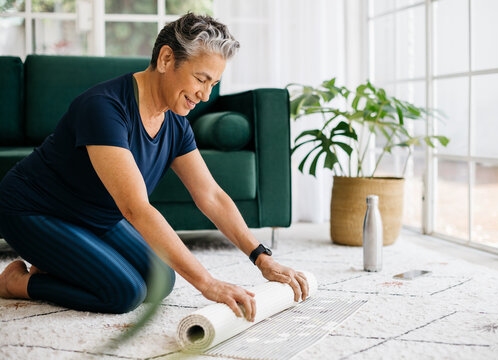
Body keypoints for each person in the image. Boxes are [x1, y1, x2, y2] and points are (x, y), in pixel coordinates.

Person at [0, 13, 308, 320]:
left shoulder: (176, 124)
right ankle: (18, 283)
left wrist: (261, 258)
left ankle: (57, 261)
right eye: (200, 79)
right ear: (165, 59)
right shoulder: (104, 108)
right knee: (124, 292)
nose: (205, 95)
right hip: (32, 210)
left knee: (161, 281)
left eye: (213, 83)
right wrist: (208, 284)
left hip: (93, 217)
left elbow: (211, 195)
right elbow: (136, 209)